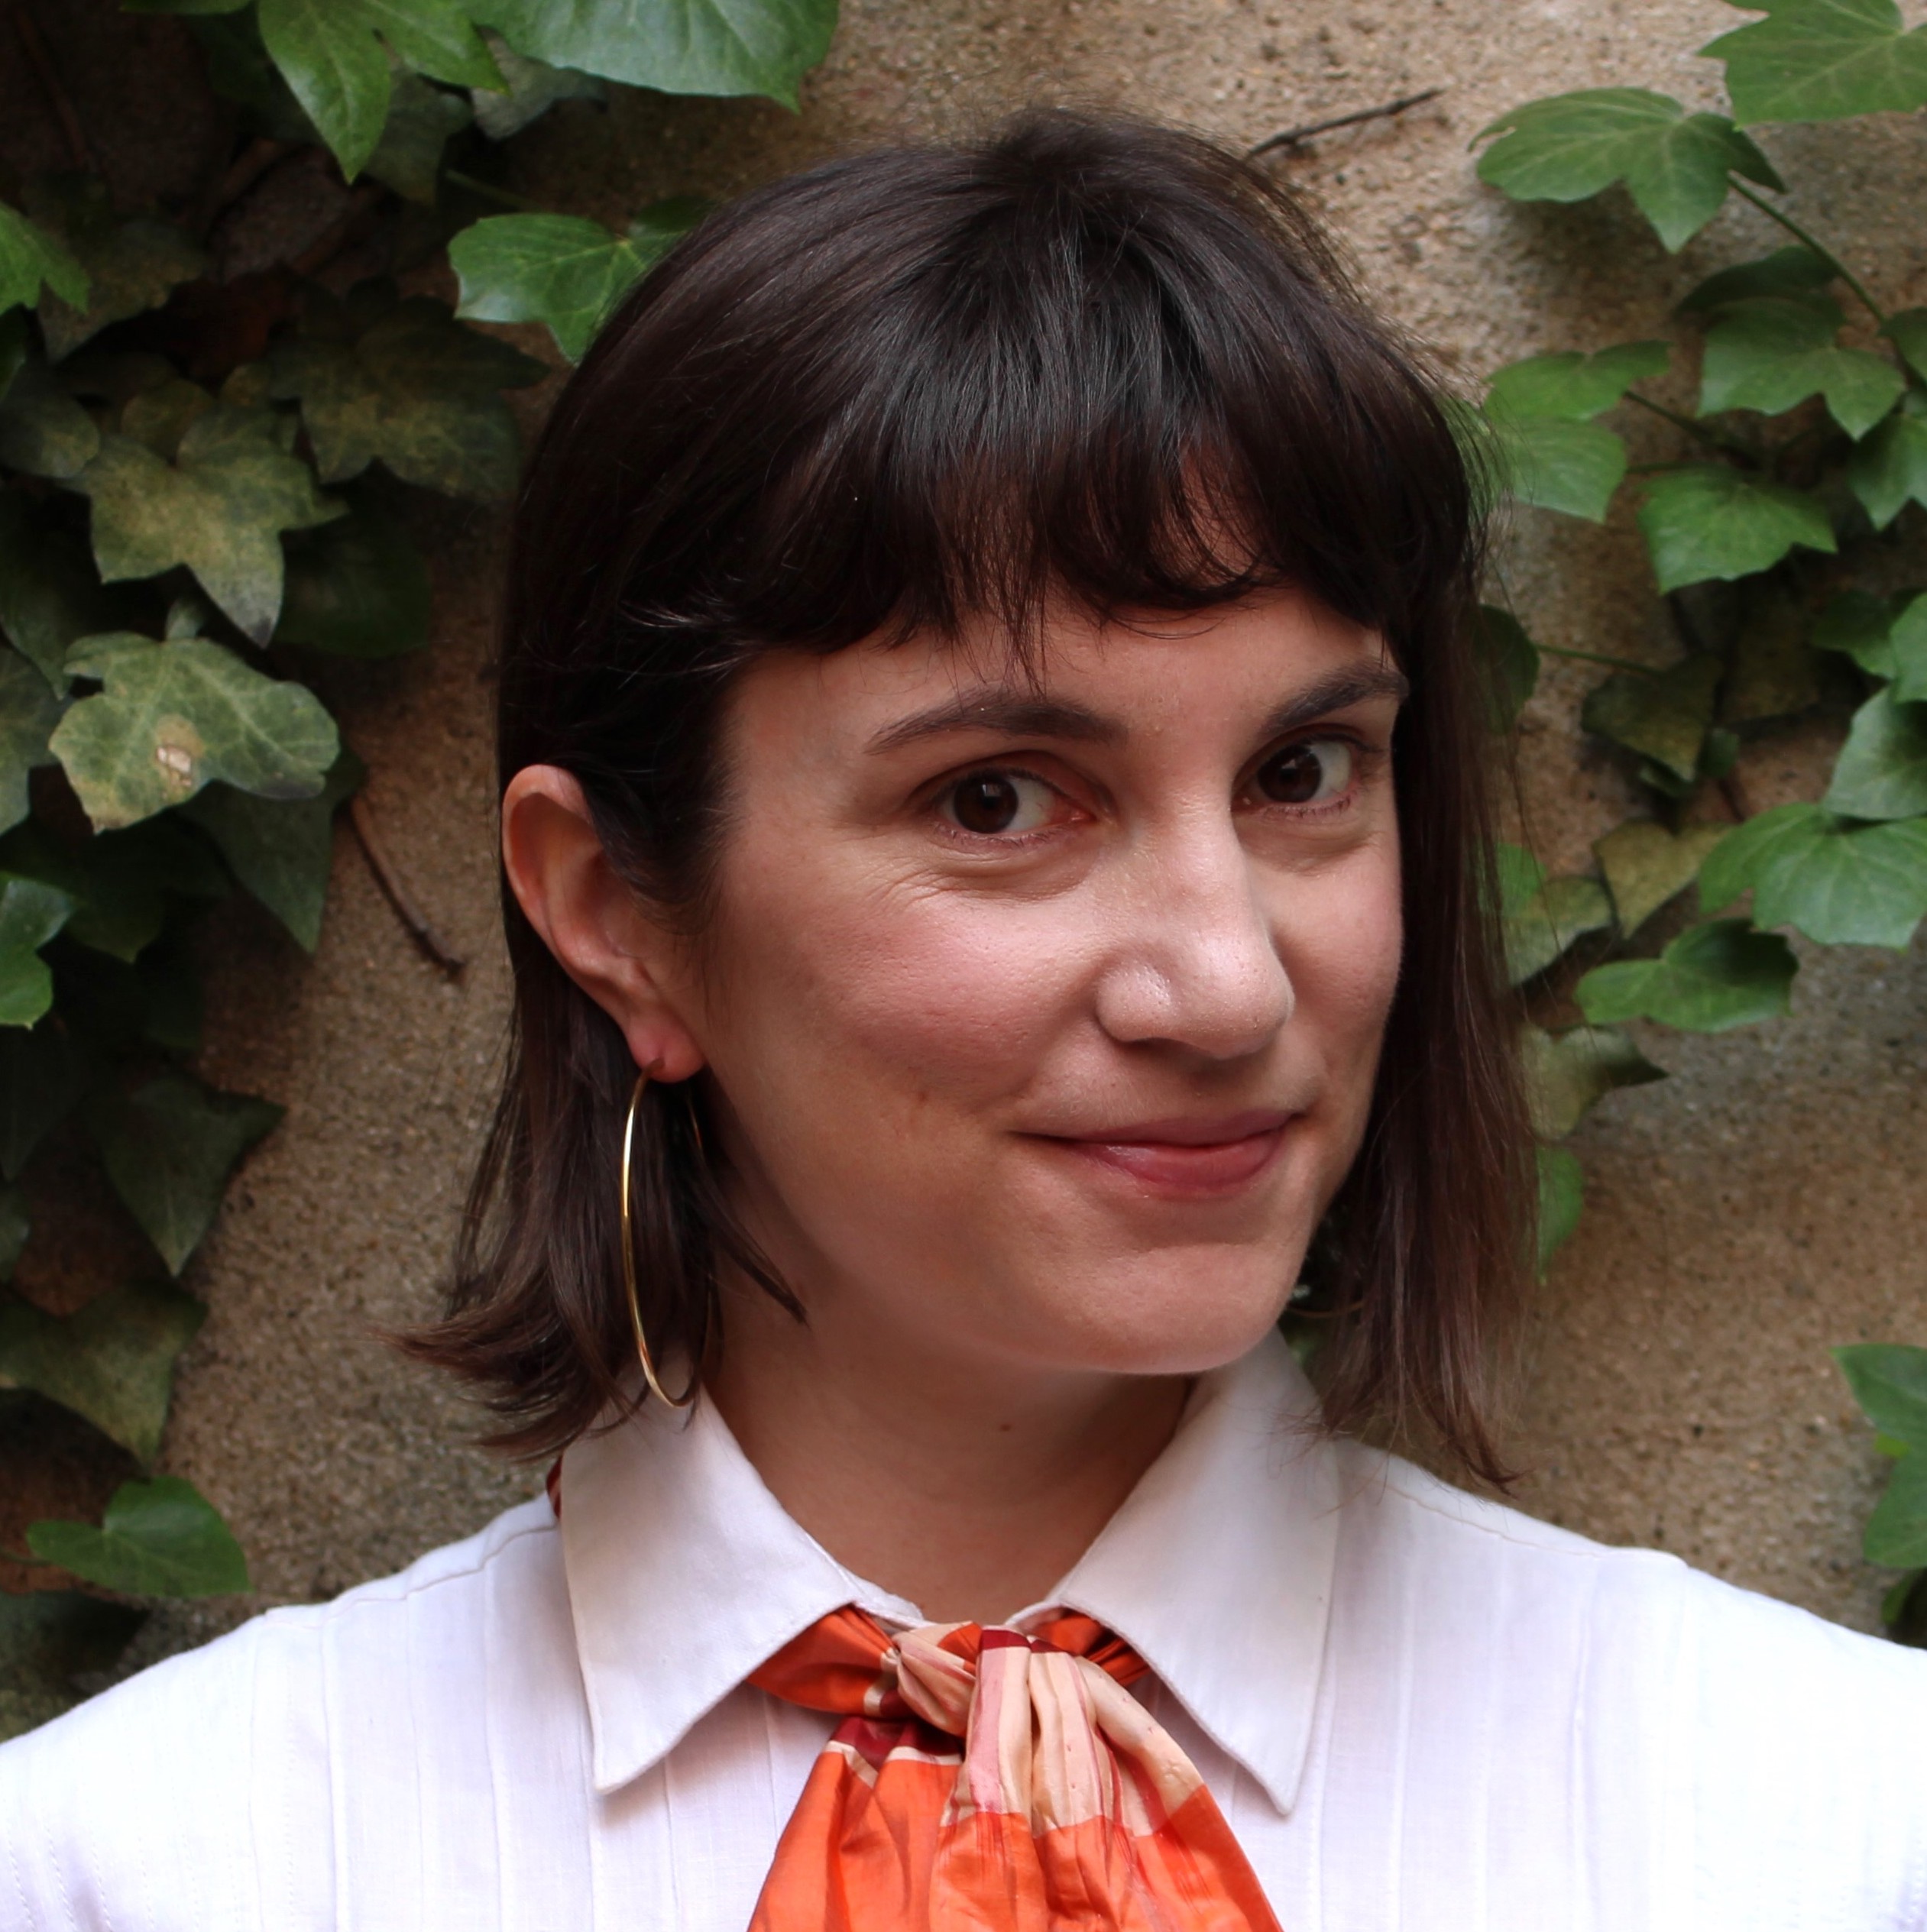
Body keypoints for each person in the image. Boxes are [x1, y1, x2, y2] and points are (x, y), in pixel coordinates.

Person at [2, 111, 1922, 1932]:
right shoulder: (148, 1870)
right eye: (998, 798)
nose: (1232, 981)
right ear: (617, 915)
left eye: (1303, 768)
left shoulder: (1820, 1826)